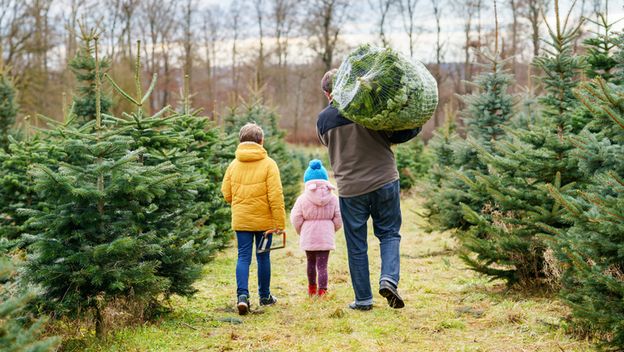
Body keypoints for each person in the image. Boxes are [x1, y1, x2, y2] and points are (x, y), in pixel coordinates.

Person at [316, 69, 421, 311]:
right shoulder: (368, 108)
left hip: (351, 189)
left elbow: (327, 143)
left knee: (356, 245)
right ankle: (389, 279)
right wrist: (416, 123)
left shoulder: (323, 120)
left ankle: (363, 300)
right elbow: (400, 133)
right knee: (389, 234)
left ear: (327, 93)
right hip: (384, 180)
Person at [221, 122, 286, 315]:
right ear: (261, 141)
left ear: (241, 141)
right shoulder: (269, 164)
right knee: (263, 257)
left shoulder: (233, 165)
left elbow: (226, 193)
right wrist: (280, 223)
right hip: (265, 222)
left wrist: (240, 203)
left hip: (242, 220)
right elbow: (276, 196)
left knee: (243, 257)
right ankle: (265, 296)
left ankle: (242, 297)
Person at [290, 159, 342, 298]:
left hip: (309, 235)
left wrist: (301, 230)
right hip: (326, 236)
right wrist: (331, 229)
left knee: (311, 263)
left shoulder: (302, 198)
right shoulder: (333, 198)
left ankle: (312, 289)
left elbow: (296, 217)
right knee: (322, 265)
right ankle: (323, 292)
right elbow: (339, 218)